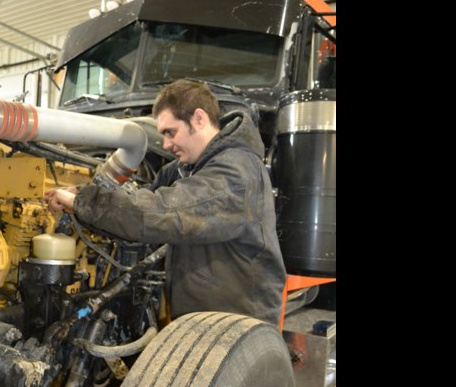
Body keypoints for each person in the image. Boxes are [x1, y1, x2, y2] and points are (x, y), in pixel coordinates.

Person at [45, 79, 287, 325]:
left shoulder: (236, 172)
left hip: (238, 326)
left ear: (199, 119)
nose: (167, 144)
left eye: (171, 132)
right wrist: (80, 195)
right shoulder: (187, 168)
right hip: (205, 319)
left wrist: (84, 201)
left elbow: (157, 213)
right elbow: (138, 202)